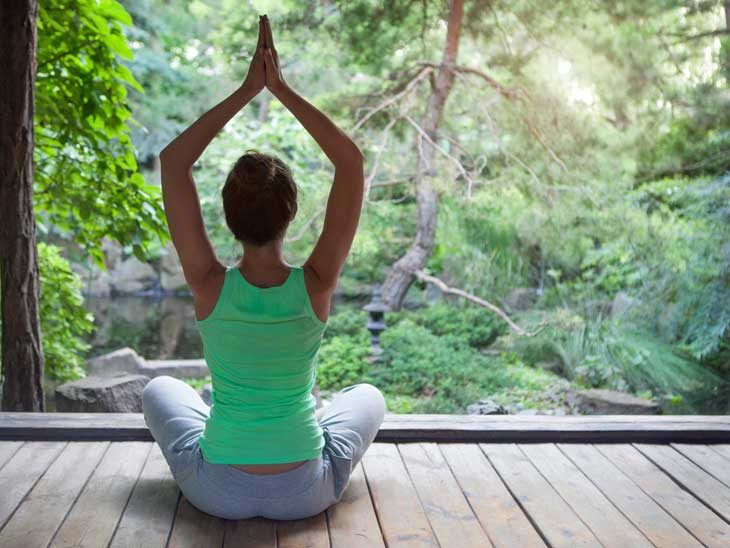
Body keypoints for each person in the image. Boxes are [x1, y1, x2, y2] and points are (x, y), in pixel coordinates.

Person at [142, 14, 386, 520]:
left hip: (218, 492)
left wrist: (246, 90)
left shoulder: (209, 285)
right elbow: (350, 164)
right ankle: (283, 425)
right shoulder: (315, 285)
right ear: (291, 214)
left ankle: (233, 419)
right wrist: (281, 89)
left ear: (228, 218)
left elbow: (173, 163)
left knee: (159, 389)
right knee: (367, 396)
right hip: (306, 492)